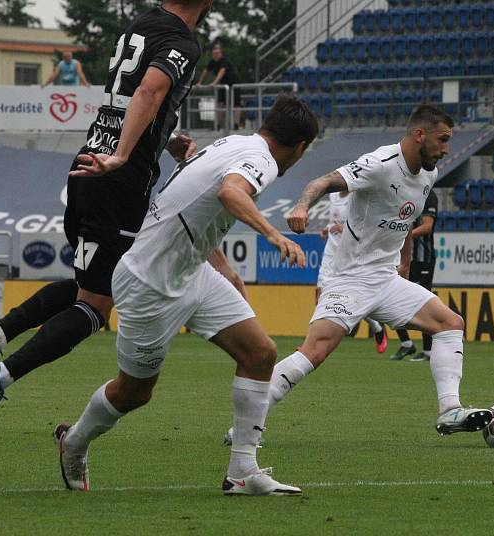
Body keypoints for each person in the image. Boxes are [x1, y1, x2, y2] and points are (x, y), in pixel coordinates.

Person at [0, 0, 213, 441]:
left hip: (87, 162)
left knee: (95, 286)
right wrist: (123, 155)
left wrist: (164, 139)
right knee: (96, 307)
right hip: (118, 177)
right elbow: (149, 92)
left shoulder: (142, 24)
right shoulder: (181, 41)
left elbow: (124, 95)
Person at [55, 94, 318, 495]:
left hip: (192, 272)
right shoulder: (261, 160)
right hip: (150, 282)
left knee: (260, 354)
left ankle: (242, 471)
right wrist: (273, 234)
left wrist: (224, 268)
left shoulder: (233, 142)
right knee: (134, 392)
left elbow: (193, 206)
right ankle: (74, 441)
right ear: (299, 148)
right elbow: (231, 194)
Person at [226, 105, 492, 446]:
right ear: (419, 134)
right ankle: (247, 427)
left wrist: (405, 266)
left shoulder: (428, 174)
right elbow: (322, 181)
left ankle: (450, 410)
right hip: (350, 278)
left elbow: (407, 223)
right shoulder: (380, 164)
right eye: (442, 140)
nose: (446, 149)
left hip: (386, 278)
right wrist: (302, 205)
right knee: (315, 351)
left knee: (449, 323)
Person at [317, 191, 387, 354]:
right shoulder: (333, 196)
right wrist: (327, 229)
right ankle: (315, 342)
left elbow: (364, 226)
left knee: (351, 299)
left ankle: (377, 327)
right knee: (322, 294)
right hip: (330, 253)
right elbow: (334, 221)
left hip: (349, 254)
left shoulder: (358, 196)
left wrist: (341, 228)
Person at [390, 188, 438, 362]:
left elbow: (427, 226)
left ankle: (428, 351)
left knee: (424, 304)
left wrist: (403, 235)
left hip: (422, 258)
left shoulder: (429, 195)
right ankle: (407, 343)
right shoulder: (405, 193)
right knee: (391, 298)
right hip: (403, 258)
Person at [196, 44, 241, 129]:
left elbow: (222, 71)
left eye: (217, 53)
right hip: (223, 85)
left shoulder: (224, 61)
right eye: (214, 53)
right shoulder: (212, 62)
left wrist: (214, 83)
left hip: (233, 84)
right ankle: (217, 125)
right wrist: (199, 82)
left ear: (221, 54)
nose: (216, 55)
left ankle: (236, 125)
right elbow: (206, 71)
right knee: (220, 104)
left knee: (236, 104)